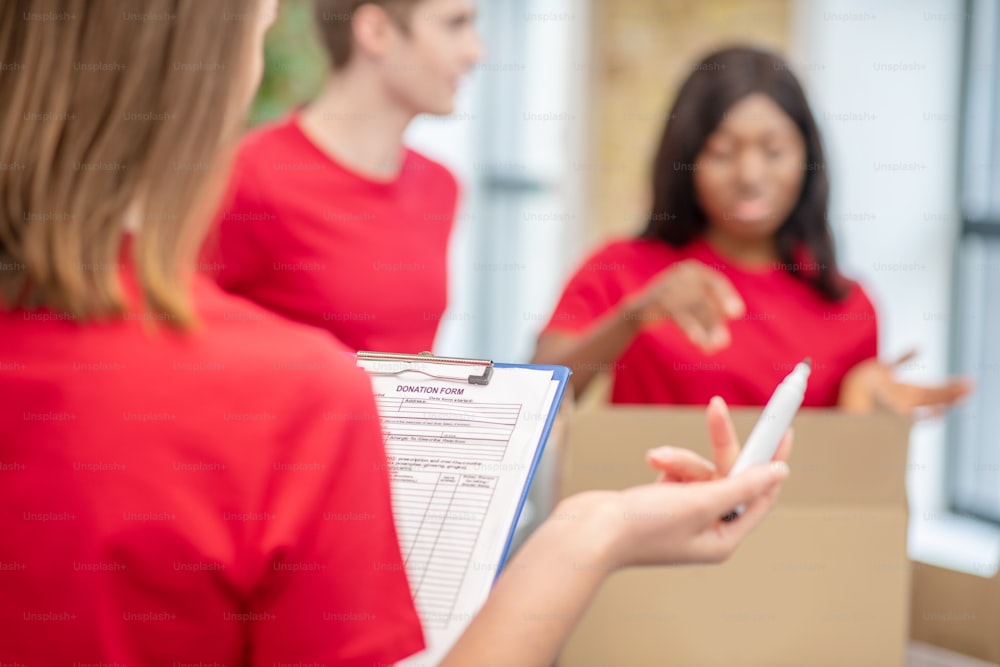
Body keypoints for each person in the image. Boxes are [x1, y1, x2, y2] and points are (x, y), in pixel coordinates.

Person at [0, 3, 790, 665]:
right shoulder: (286, 380)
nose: (476, 50)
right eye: (455, 23)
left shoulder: (436, 193)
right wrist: (592, 532)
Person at [533, 46, 972, 415]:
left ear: (807, 157)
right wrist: (632, 317)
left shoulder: (850, 306)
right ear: (685, 159)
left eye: (774, 150)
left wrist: (868, 403)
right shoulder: (623, 267)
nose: (749, 174)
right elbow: (536, 397)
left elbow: (841, 466)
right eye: (722, 152)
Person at [201, 0, 482, 353]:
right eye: (454, 25)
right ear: (375, 31)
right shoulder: (247, 176)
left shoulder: (441, 186)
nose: (476, 52)